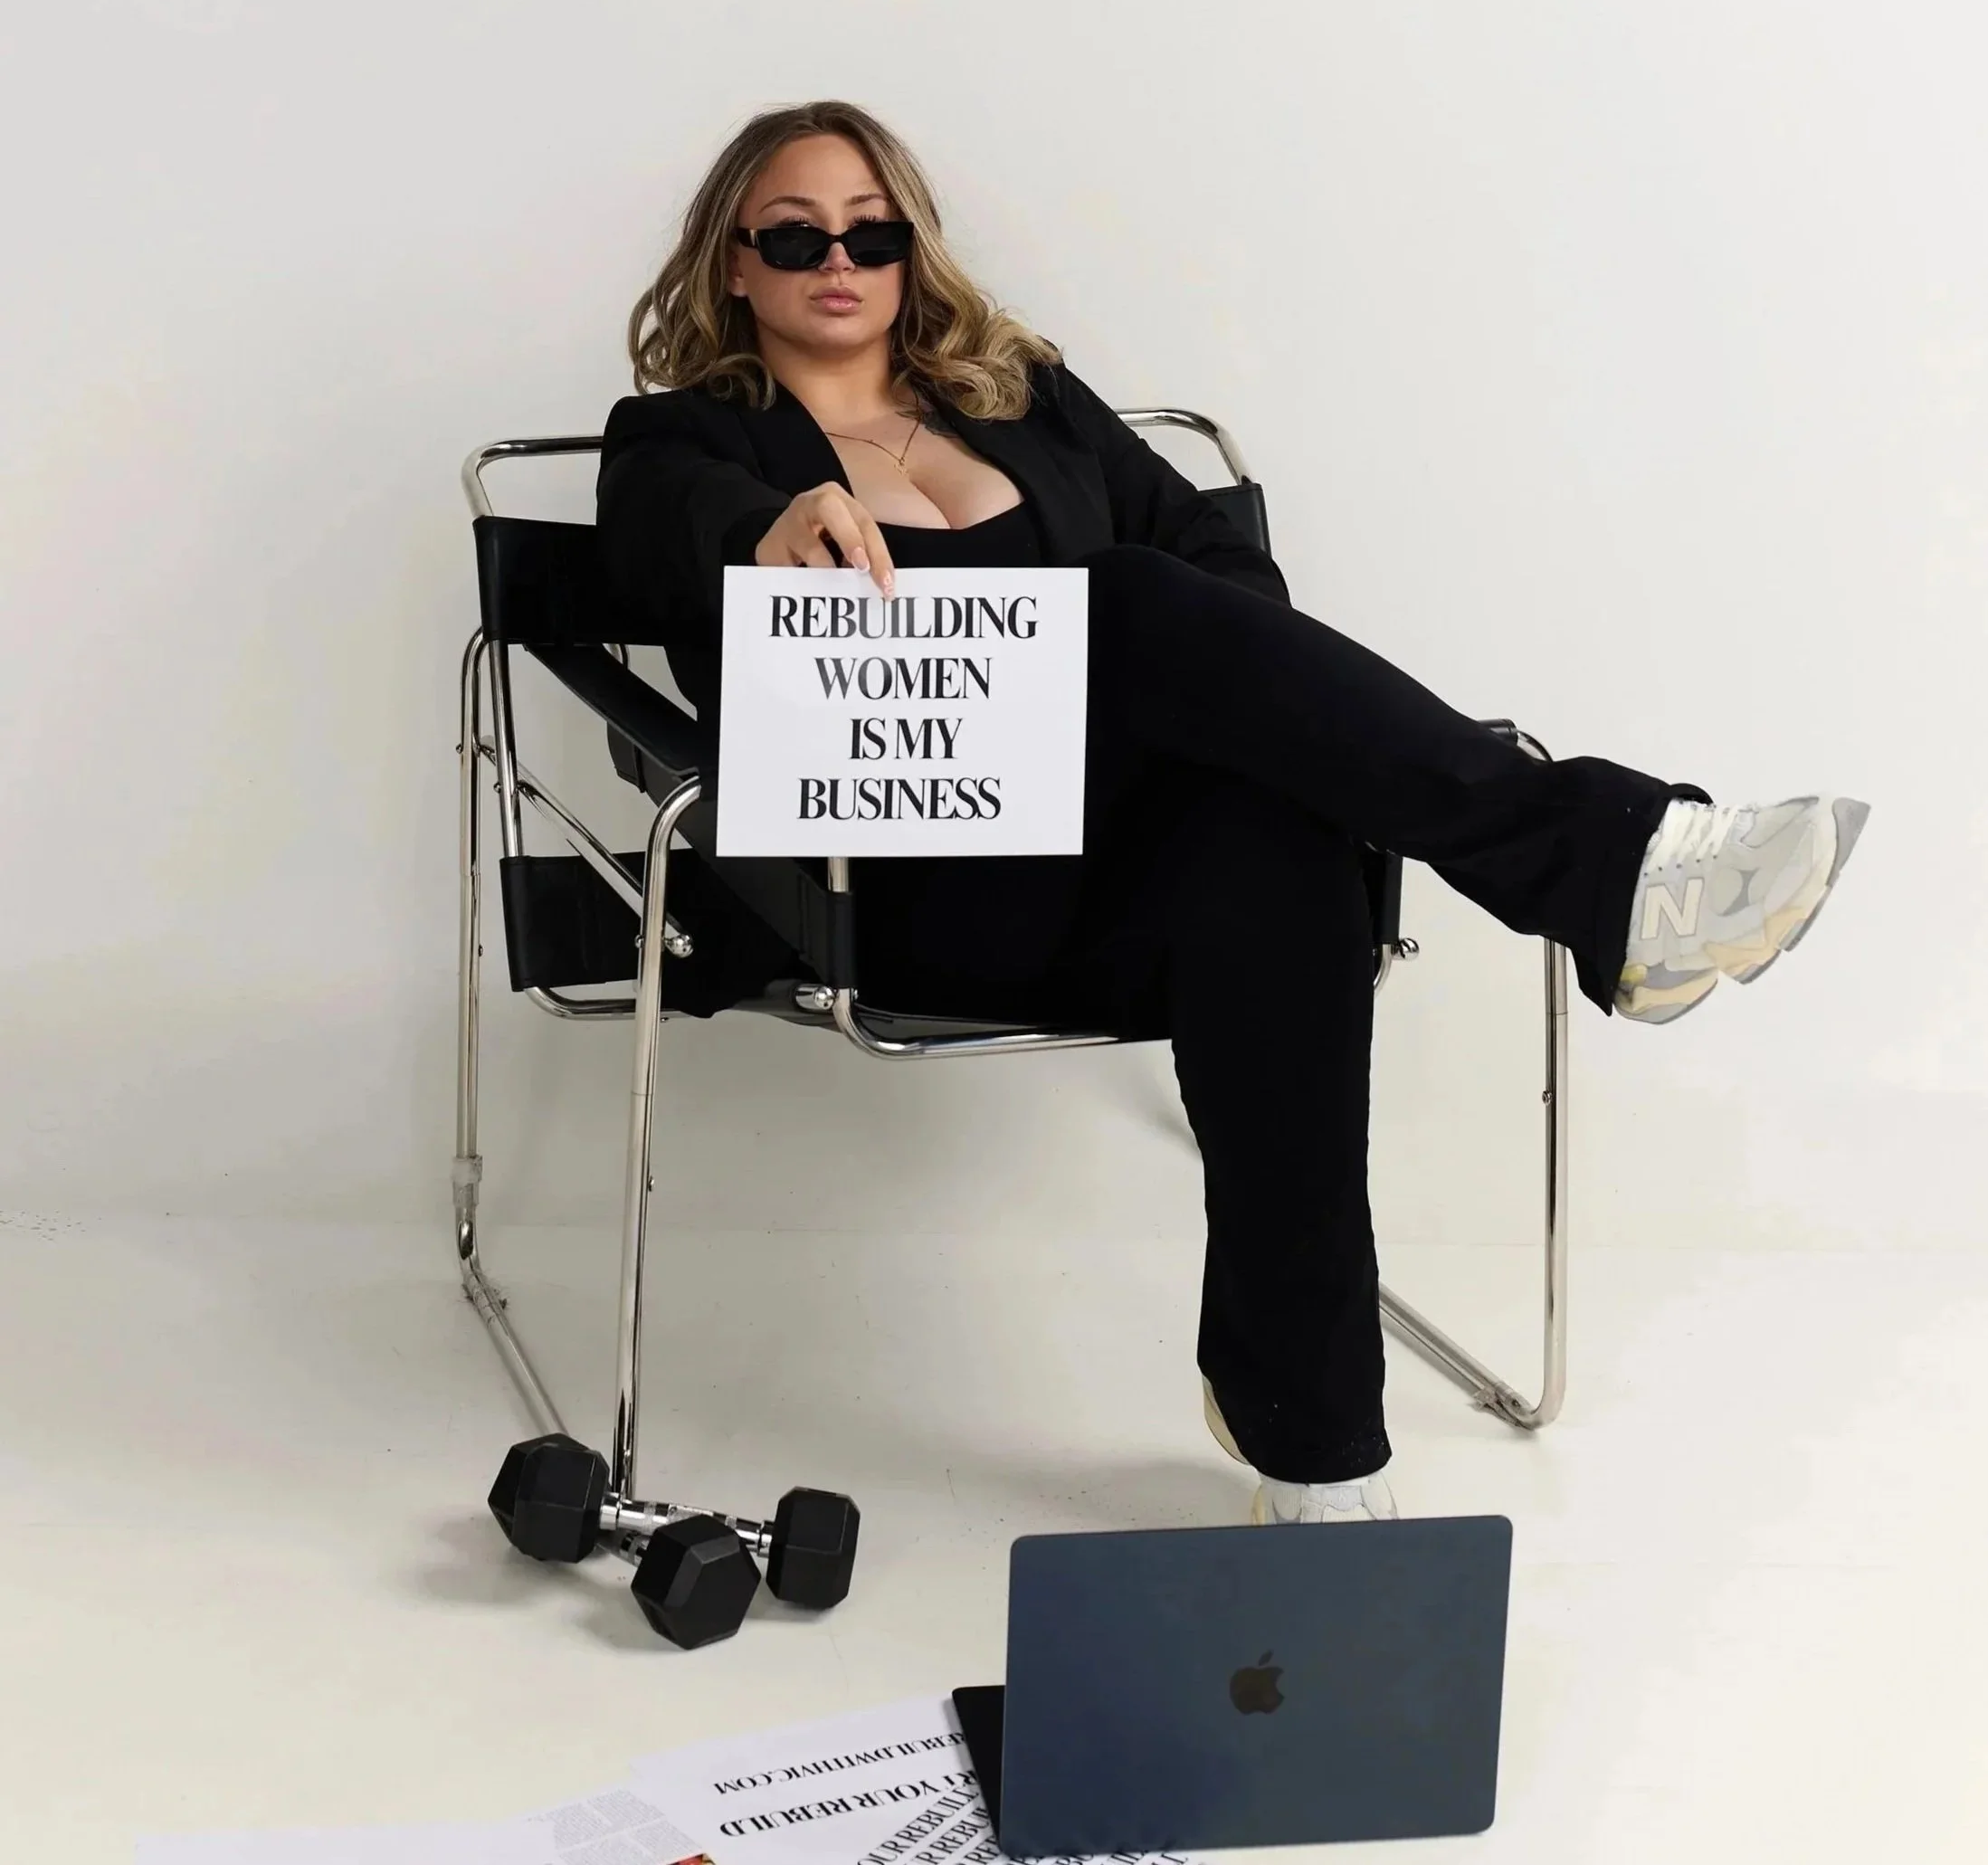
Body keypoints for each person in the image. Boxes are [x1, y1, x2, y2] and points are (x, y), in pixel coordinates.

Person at [597, 100, 1869, 1527]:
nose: (840, 257)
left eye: (873, 231)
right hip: (900, 892)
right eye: (795, 232)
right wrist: (754, 532)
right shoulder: (685, 442)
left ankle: (1308, 1437)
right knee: (1132, 606)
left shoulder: (1022, 401)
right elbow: (657, 525)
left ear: (911, 252)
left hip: (1114, 883)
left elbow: (1210, 556)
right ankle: (1609, 869)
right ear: (735, 266)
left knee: (1284, 833)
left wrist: (1221, 697)